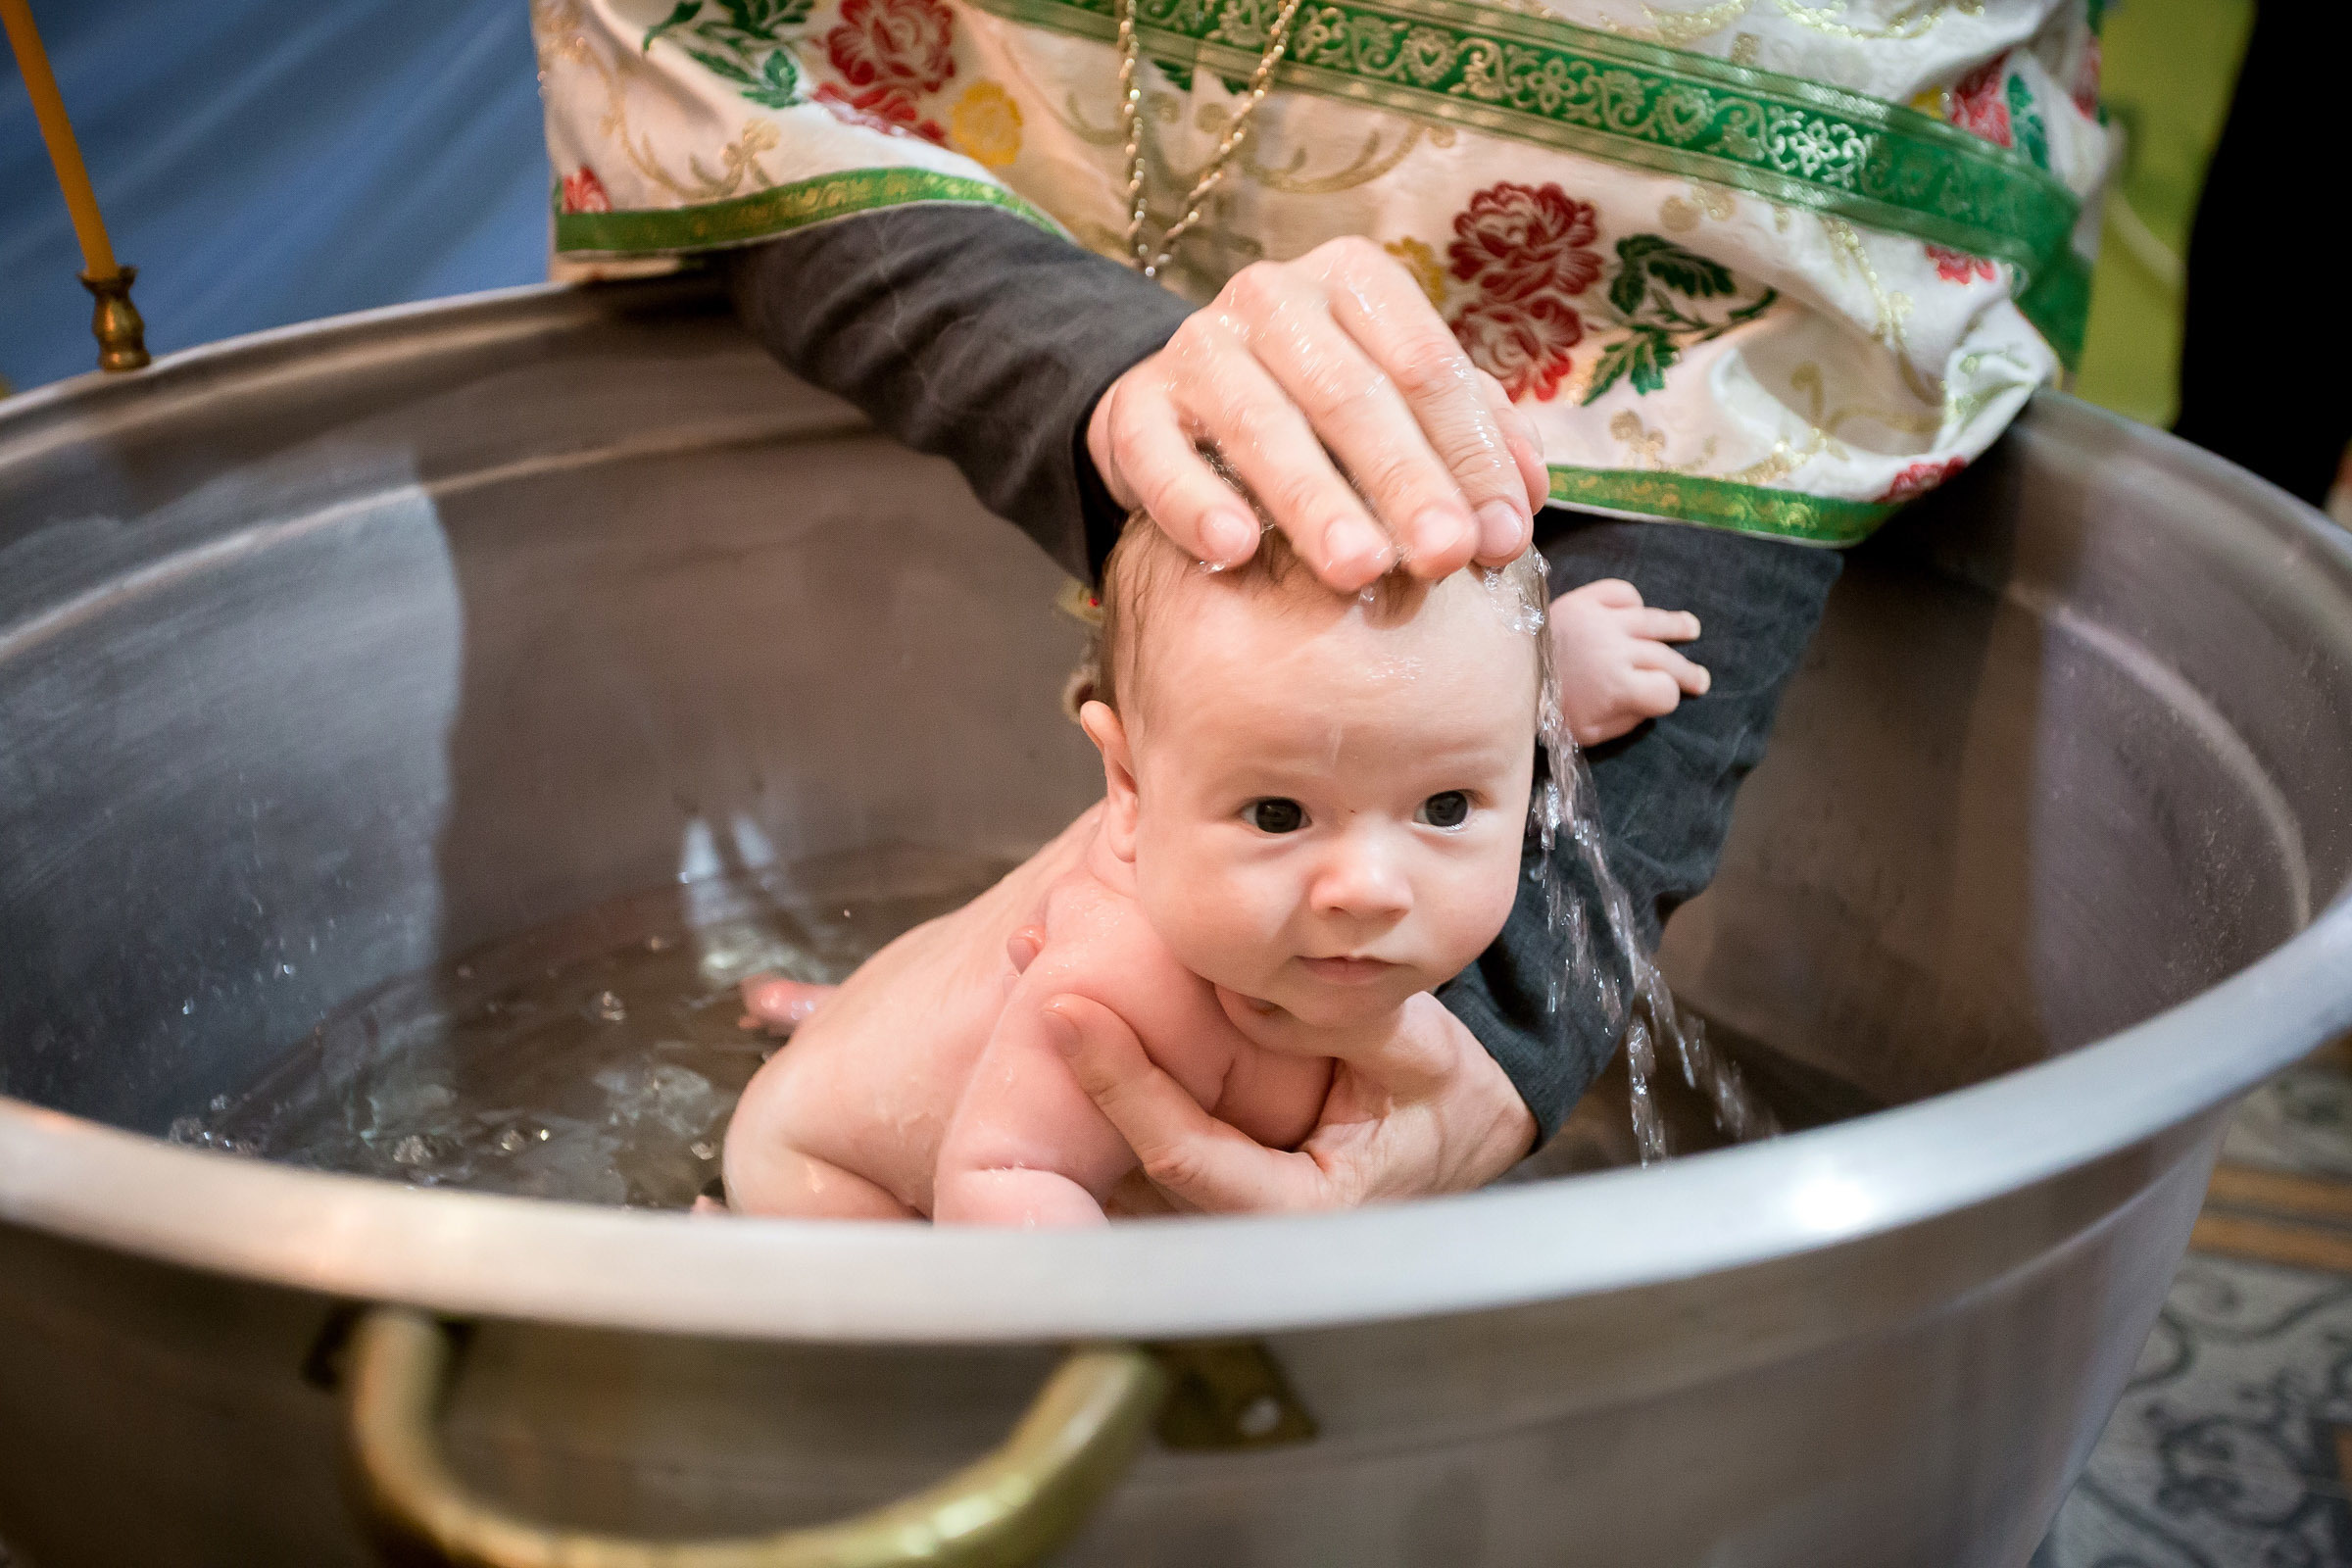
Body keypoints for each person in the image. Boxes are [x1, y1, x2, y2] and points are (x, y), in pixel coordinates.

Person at [534, 0, 2110, 1205]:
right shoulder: (1105, 990)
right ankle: (855, 1084)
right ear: (1125, 786)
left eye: (1445, 804)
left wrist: (1572, 695)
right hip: (843, 1174)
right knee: (866, 1210)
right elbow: (998, 1195)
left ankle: (891, 1020)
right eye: (1280, 815)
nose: (1365, 892)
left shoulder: (1353, 828)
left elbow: (1520, 691)